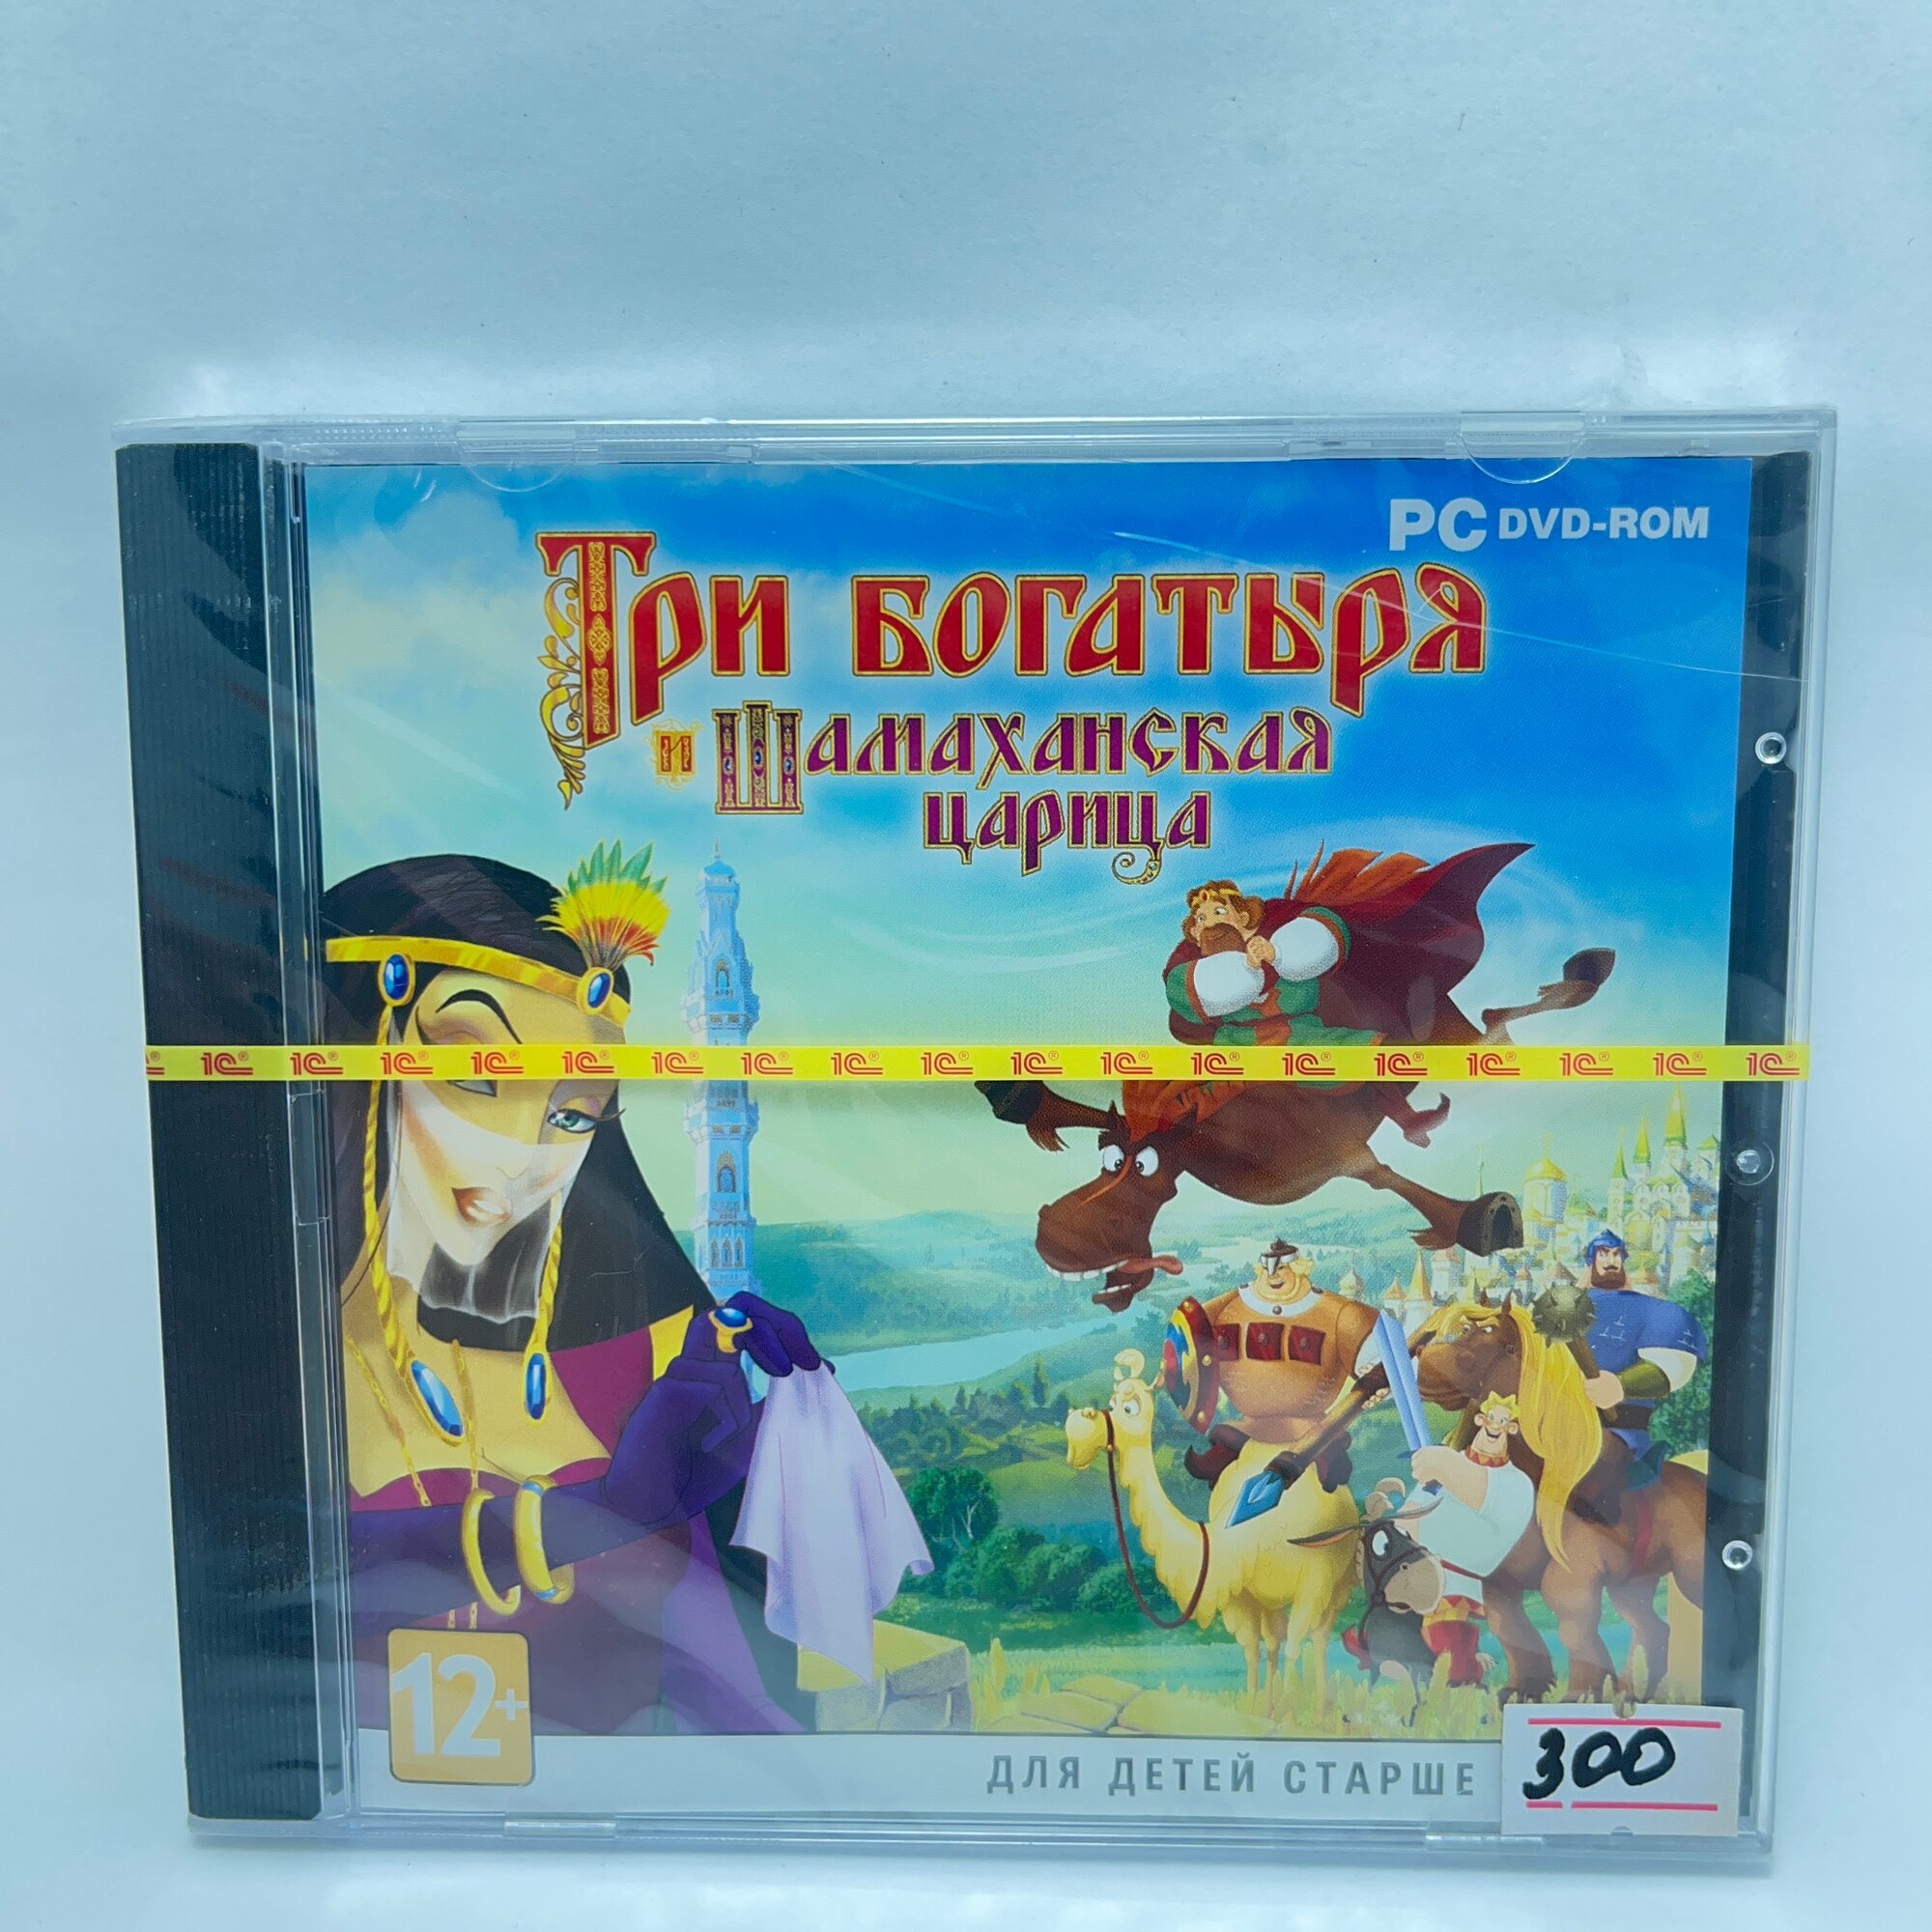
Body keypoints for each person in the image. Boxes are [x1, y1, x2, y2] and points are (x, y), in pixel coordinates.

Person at [326, 845, 825, 1736]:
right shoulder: (266, 1364)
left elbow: (737, 1690)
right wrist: (602, 1515)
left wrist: (769, 1460)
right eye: (476, 1074)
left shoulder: (640, 1355)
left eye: (571, 1112)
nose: (526, 1157)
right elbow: (269, 1587)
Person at [1402, 1393, 1537, 1686]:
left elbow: (1481, 1491)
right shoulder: (1446, 1465)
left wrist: (1443, 1463)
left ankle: (1463, 1680)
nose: (1495, 1426)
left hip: (1455, 1582)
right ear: (1480, 1420)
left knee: (1446, 1636)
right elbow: (1409, 1515)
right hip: (1414, 1576)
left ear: (1511, 1428)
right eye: (1492, 1418)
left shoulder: (1515, 1483)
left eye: (1503, 1421)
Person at [1163, 880, 1381, 1048]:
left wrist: (1277, 954)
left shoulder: (1275, 925)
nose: (1210, 922)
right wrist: (1244, 970)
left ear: (1242, 917)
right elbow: (1184, 995)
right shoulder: (1193, 956)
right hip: (1237, 1039)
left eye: (1219, 912)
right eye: (1201, 919)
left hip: (1297, 1030)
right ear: (1195, 932)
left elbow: (1319, 935)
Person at [1577, 1230, 1707, 1491]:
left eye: (1617, 1254)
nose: (1611, 1261)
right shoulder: (1563, 1309)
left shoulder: (1653, 1311)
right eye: (1603, 1254)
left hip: (1623, 1437)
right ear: (1591, 1260)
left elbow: (1673, 1366)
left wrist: (1621, 1385)